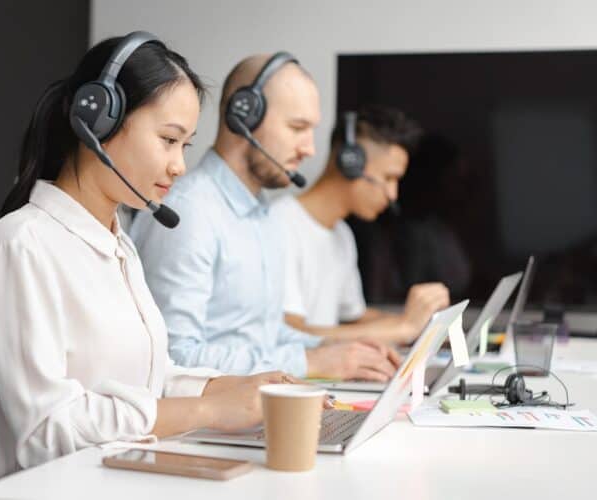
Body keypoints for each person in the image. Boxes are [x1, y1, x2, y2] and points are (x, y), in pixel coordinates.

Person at [0, 33, 296, 484]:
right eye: (169, 140)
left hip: (110, 480)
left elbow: (141, 379)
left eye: (185, 146)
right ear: (98, 118)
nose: (179, 166)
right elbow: (44, 431)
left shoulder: (118, 242)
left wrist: (224, 387)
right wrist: (208, 409)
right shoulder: (22, 245)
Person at [130, 54, 400, 382]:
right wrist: (308, 362)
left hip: (256, 410)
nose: (310, 149)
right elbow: (174, 356)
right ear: (244, 114)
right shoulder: (190, 213)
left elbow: (265, 335)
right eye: (297, 128)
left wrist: (338, 349)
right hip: (201, 425)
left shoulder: (263, 214)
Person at [271, 106, 450, 345]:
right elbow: (291, 335)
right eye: (388, 178)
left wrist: (422, 324)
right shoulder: (280, 224)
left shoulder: (342, 234)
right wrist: (402, 329)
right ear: (350, 162)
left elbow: (353, 318)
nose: (392, 195)